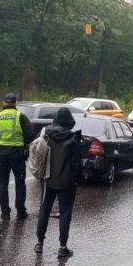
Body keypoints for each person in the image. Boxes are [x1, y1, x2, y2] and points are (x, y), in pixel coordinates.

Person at [35, 108, 83, 258]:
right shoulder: (73, 139)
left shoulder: (46, 135)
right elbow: (76, 163)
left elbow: (38, 153)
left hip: (48, 179)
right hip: (67, 182)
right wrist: (77, 180)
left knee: (44, 210)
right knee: (65, 213)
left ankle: (39, 243)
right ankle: (63, 247)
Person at [0, 92, 34, 220]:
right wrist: (24, 146)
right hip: (17, 154)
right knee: (20, 183)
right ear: (15, 103)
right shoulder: (20, 116)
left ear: (3, 103)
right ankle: (20, 211)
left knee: (3, 184)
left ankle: (5, 213)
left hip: (1, 155)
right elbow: (30, 135)